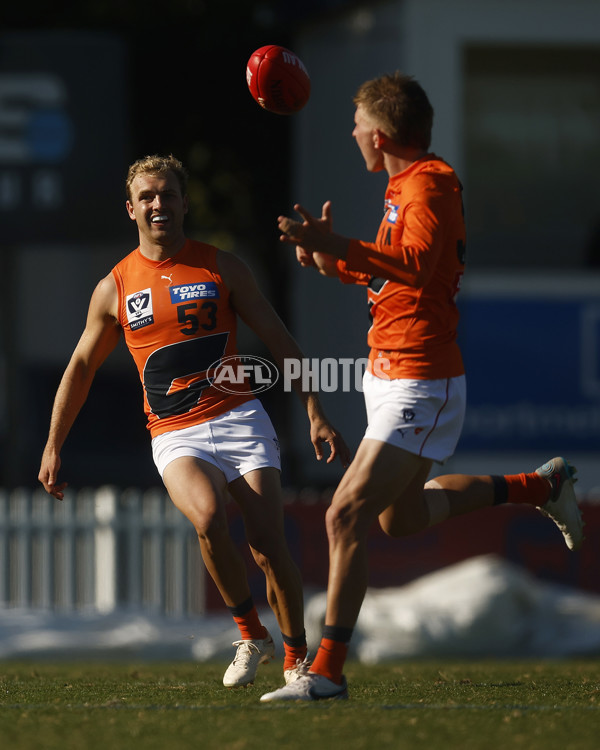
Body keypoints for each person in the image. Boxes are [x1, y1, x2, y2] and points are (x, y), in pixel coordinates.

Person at [259, 72, 584, 702]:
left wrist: (337, 244)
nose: (352, 131)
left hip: (421, 380)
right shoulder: (403, 185)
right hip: (386, 373)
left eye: (357, 124)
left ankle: (324, 672)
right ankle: (541, 485)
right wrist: (334, 260)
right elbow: (398, 278)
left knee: (344, 513)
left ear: (379, 136)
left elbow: (415, 264)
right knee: (399, 520)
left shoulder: (429, 184)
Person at [38, 154, 350, 689]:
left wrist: (315, 410)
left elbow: (278, 339)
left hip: (240, 417)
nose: (158, 204)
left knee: (267, 544)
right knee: (207, 519)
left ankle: (296, 658)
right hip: (174, 431)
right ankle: (251, 633)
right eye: (147, 196)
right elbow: (82, 367)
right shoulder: (113, 288)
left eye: (167, 194)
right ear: (131, 208)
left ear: (184, 202)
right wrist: (53, 445)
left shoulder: (222, 266)